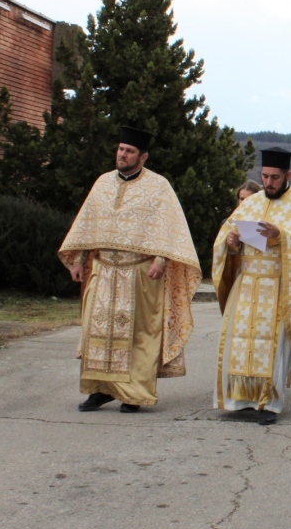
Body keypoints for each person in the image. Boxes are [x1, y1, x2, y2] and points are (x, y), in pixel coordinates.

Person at [59, 127, 201, 413]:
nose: (122, 154)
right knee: (95, 331)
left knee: (139, 333)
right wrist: (78, 259)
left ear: (143, 156)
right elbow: (89, 224)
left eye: (129, 151)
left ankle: (134, 394)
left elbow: (168, 226)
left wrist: (161, 260)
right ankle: (99, 390)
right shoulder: (102, 183)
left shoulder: (159, 186)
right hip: (103, 271)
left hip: (139, 272)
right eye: (121, 149)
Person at [212, 147, 291, 425]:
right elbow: (226, 236)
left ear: (288, 175)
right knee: (238, 343)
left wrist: (280, 235)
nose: (269, 182)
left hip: (278, 287)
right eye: (265, 176)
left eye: (275, 177)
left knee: (271, 347)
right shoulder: (250, 202)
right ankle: (240, 401)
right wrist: (231, 244)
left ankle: (269, 404)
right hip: (246, 285)